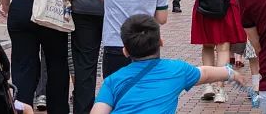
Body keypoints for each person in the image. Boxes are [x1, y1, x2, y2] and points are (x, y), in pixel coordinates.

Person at [91, 14, 245, 114]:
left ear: (125, 51)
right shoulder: (176, 70)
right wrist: (231, 73)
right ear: (161, 42)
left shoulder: (112, 81)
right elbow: (205, 74)